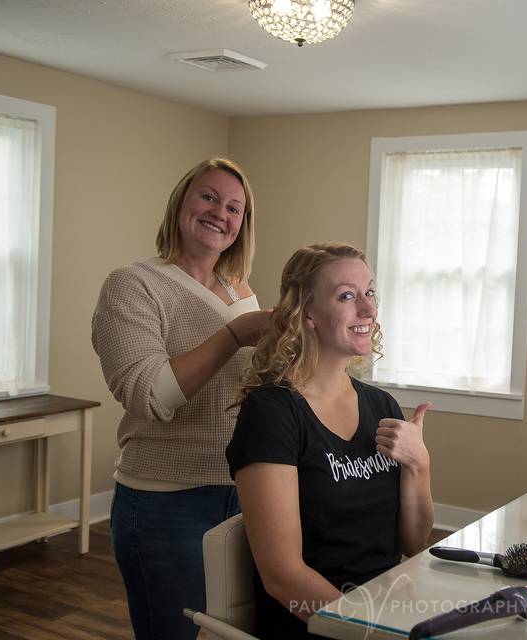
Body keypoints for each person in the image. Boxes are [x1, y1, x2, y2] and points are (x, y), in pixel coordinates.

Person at [91, 158, 271, 640]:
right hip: (167, 500)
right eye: (208, 197)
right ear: (180, 204)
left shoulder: (239, 290)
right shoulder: (132, 285)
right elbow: (149, 395)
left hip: (245, 488)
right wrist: (235, 334)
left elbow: (247, 386)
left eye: (235, 208)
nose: (220, 213)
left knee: (233, 628)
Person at [226, 243, 434, 639]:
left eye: (370, 292)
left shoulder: (381, 405)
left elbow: (412, 540)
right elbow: (283, 577)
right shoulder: (272, 414)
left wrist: (419, 464)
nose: (369, 310)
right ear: (307, 314)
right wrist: (370, 629)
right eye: (346, 296)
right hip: (320, 623)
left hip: (389, 609)